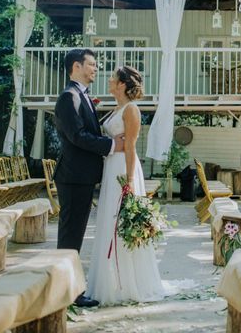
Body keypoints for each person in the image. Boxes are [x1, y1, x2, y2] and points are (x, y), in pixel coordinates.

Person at [86, 65, 165, 304]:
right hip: (111, 166)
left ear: (122, 84)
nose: (109, 80)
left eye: (113, 78)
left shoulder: (131, 110)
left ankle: (128, 284)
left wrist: (129, 182)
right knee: (109, 221)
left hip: (123, 168)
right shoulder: (117, 108)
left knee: (118, 221)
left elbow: (130, 146)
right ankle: (111, 281)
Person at [54, 48, 125, 308]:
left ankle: (68, 289)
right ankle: (66, 293)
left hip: (80, 176)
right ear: (76, 66)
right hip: (73, 177)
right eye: (91, 64)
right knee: (70, 236)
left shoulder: (81, 96)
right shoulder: (68, 97)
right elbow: (78, 136)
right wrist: (111, 146)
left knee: (75, 234)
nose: (96, 68)